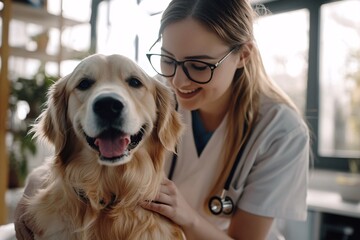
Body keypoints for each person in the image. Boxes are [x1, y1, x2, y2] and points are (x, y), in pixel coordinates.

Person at [15, 0, 310, 239]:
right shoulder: (149, 96)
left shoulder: (281, 131)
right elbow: (81, 156)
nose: (179, 82)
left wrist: (187, 216)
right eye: (168, 59)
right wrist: (35, 184)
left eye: (199, 65)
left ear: (243, 55)